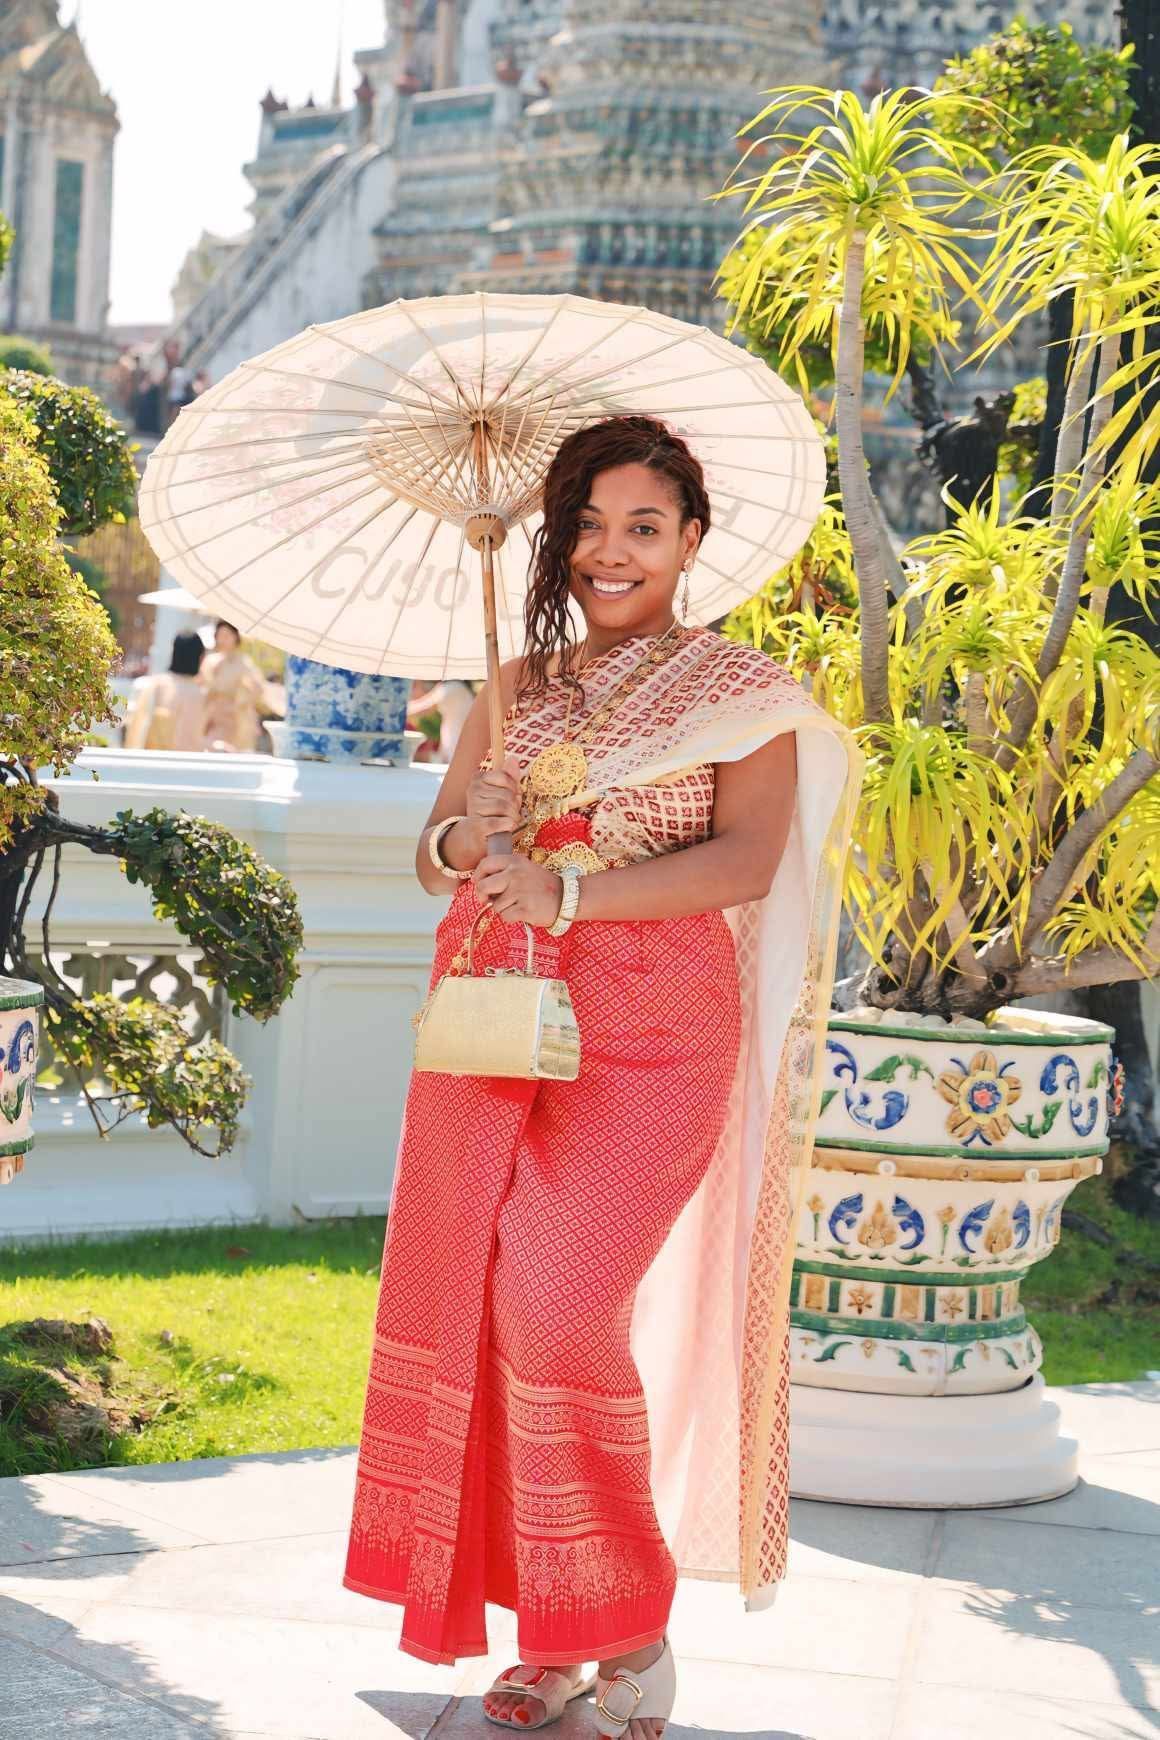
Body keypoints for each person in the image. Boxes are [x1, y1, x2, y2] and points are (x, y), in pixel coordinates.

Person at [342, 416, 863, 1737]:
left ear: (693, 540)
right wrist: (481, 836)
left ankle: (623, 1619)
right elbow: (433, 853)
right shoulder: (513, 686)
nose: (610, 552)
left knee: (560, 1305)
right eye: (586, 525)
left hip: (654, 1035)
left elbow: (746, 862)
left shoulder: (742, 694)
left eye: (643, 526)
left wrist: (573, 882)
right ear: (554, 540)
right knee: (490, 1311)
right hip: (492, 1023)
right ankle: (555, 1640)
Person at [122, 630, 209, 751]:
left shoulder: (155, 684)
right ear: (199, 657)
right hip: (187, 762)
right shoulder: (200, 694)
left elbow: (136, 727)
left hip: (152, 760)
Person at [200, 620, 270, 752]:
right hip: (213, 713)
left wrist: (244, 702)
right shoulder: (211, 660)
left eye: (226, 636)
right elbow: (203, 685)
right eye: (219, 636)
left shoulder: (243, 662)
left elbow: (258, 688)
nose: (222, 640)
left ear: (235, 637)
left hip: (234, 715)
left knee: (233, 750)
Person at [406, 677, 476, 763]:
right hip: (457, 750)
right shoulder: (458, 688)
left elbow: (420, 708)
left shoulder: (452, 688)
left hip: (457, 751)